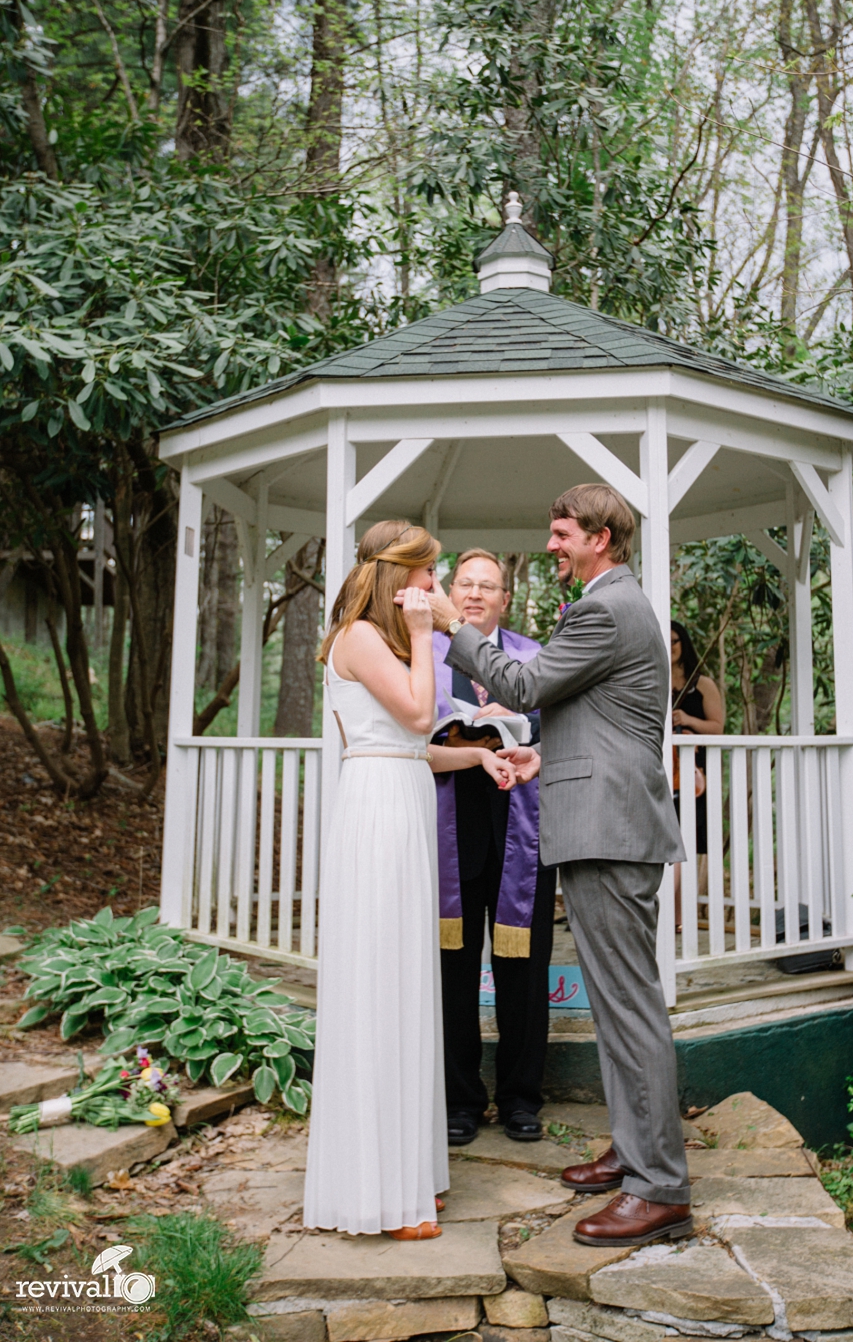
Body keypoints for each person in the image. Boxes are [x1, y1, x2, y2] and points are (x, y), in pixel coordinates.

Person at [428, 484, 693, 1249]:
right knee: (616, 1006)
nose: (552, 544)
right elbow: (611, 723)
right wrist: (541, 754)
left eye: (562, 532)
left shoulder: (607, 607)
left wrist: (452, 623)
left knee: (631, 1006)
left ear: (601, 538)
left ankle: (660, 1188)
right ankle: (634, 1147)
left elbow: (520, 684)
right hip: (601, 818)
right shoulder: (616, 603)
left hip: (611, 832)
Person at [303, 521, 518, 1241]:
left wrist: (479, 759)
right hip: (376, 815)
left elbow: (415, 747)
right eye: (430, 575)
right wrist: (429, 637)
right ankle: (376, 1193)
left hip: (401, 799)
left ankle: (410, 1176)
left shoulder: (384, 642)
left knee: (405, 988)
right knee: (379, 988)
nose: (436, 588)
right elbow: (423, 713)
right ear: (402, 578)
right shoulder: (362, 634)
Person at [432, 549, 555, 1147]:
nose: (476, 594)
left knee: (524, 970)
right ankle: (459, 1099)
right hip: (449, 822)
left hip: (519, 823)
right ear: (450, 592)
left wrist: (522, 719)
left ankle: (520, 1098)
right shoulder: (422, 656)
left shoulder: (534, 657)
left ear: (506, 598)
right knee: (452, 968)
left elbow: (561, 725)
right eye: (466, 583)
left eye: (489, 586)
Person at [670, 621, 725, 927]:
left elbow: (717, 727)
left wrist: (688, 719)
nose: (670, 647)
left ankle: (676, 917)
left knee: (685, 844)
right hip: (663, 769)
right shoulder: (656, 679)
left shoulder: (702, 684)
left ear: (684, 643)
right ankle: (676, 920)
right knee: (672, 844)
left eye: (675, 641)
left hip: (694, 774)